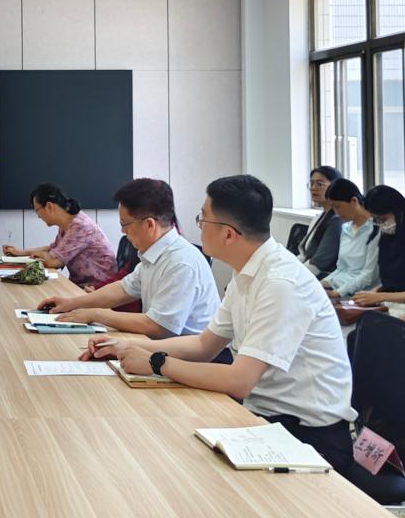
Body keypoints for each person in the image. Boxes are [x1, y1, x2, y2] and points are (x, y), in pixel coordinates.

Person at [85, 175, 356, 474]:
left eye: (203, 219)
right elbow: (204, 344)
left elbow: (240, 381)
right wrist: (128, 346)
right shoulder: (246, 273)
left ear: (228, 234)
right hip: (264, 419)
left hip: (308, 436)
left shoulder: (280, 284)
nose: (198, 226)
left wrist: (156, 362)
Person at [36, 179, 221, 342]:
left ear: (149, 224)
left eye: (124, 223)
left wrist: (96, 314)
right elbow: (123, 289)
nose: (122, 231)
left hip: (197, 361)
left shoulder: (180, 262)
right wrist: (71, 303)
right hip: (164, 348)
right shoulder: (154, 254)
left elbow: (159, 327)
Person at [1, 183, 116, 288]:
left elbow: (53, 261)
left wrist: (41, 255)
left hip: (96, 290)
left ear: (49, 206)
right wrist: (21, 252)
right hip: (81, 287)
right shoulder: (67, 224)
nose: (38, 216)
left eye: (37, 210)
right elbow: (53, 249)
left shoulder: (80, 226)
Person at [321, 178, 380, 299]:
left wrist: (337, 293)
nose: (336, 213)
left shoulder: (375, 229)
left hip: (361, 294)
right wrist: (322, 283)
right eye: (333, 208)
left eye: (338, 206)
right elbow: (341, 268)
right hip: (339, 289)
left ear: (354, 201)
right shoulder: (346, 228)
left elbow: (368, 276)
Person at [352, 185, 405, 306]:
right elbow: (392, 283)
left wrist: (379, 296)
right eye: (376, 220)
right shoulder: (389, 236)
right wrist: (373, 294)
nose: (381, 224)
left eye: (383, 219)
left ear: (398, 210)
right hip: (392, 303)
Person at [298, 166, 344, 277]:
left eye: (319, 184)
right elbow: (304, 254)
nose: (313, 188)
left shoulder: (337, 220)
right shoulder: (320, 216)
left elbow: (319, 263)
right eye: (311, 183)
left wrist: (294, 277)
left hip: (323, 277)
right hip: (308, 272)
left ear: (334, 187)